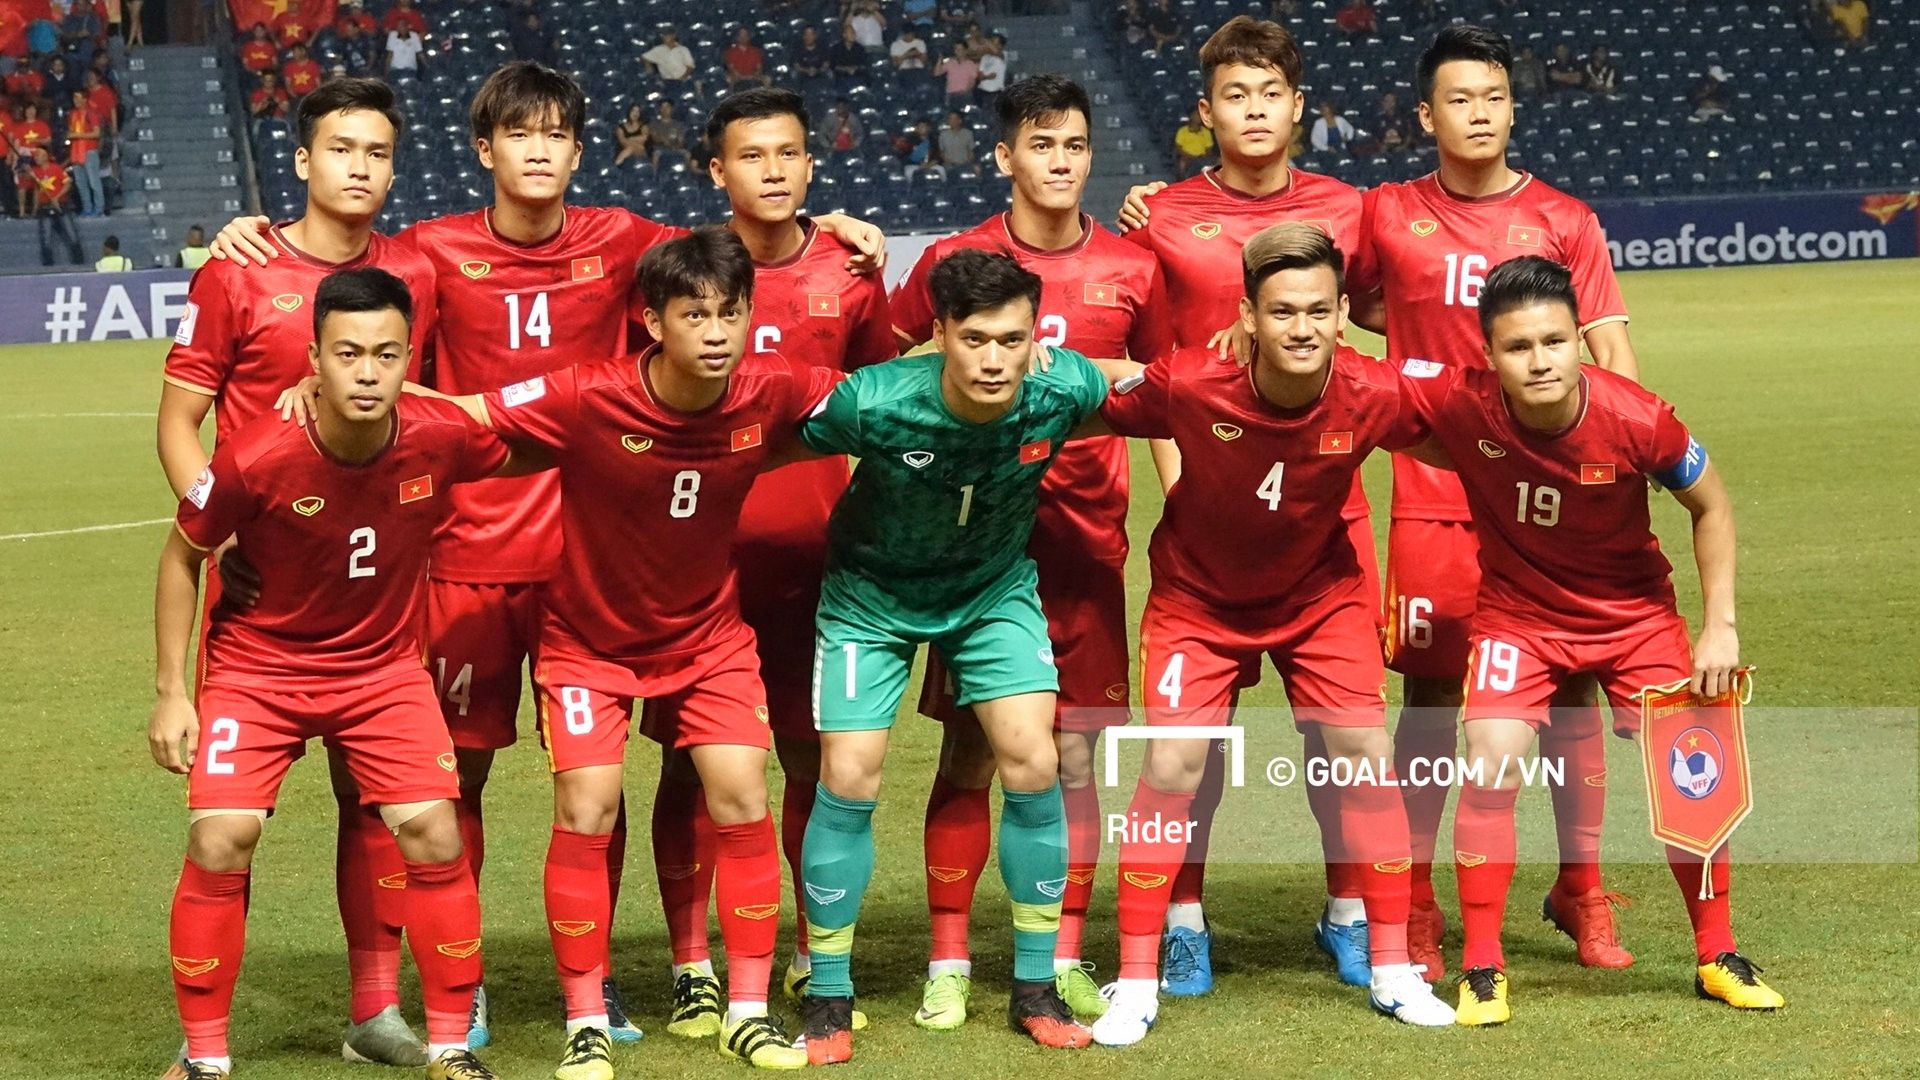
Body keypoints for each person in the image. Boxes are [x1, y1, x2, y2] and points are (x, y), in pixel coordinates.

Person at [204, 62, 886, 1059]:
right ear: (485, 150)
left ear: (576, 147)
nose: (537, 150)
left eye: (556, 133)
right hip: (463, 558)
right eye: (517, 134)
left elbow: (735, 250)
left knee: (599, 789)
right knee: (449, 786)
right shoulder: (432, 254)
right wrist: (247, 235)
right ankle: (452, 996)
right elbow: (365, 330)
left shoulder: (623, 241)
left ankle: (596, 985)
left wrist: (831, 228)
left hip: (587, 562)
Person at [393, 227, 839, 1073]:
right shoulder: (584, 392)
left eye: (731, 314)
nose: (716, 332)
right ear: (651, 320)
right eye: (695, 314)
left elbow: (874, 394)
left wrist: (944, 354)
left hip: (708, 638)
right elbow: (471, 412)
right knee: (587, 807)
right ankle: (586, 1019)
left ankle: (745, 1010)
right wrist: (354, 390)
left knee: (742, 795)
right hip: (588, 645)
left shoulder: (771, 386)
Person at [1091, 224, 1457, 1046]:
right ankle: (1138, 978)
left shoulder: (1373, 390)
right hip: (1197, 602)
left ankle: (1393, 970)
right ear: (1247, 316)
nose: (1303, 328)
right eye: (1283, 311)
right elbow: (1095, 394)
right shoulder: (1192, 380)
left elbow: (1465, 424)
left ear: (1339, 316)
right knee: (1174, 761)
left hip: (1318, 597)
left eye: (1320, 311)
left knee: (1362, 752)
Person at [150, 267, 512, 1080]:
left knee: (435, 830)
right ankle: (205, 1059)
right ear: (311, 358)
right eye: (347, 353)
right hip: (258, 669)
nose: (367, 371)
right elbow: (182, 557)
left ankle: (450, 1049)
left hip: (381, 672)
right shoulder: (259, 453)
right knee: (220, 837)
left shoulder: (438, 433)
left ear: (409, 357)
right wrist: (174, 693)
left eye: (387, 355)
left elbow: (522, 436)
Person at [1402, 255, 1784, 1024]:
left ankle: (1717, 952)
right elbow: (1352, 377)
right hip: (1519, 618)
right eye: (1518, 347)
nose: (1539, 360)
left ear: (1581, 338)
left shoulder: (1640, 416)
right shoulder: (1462, 404)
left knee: (1694, 772)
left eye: (1554, 340)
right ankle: (1482, 965)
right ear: (1488, 355)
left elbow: (1711, 507)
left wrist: (1721, 628)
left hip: (1635, 618)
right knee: (1491, 756)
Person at [1344, 23, 1643, 984]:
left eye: (1495, 97)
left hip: (1550, 491)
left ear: (1514, 106)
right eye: (1459, 100)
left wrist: (1619, 464)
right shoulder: (1386, 213)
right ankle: (1419, 903)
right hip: (1435, 489)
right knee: (1432, 694)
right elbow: (1326, 287)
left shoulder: (1564, 218)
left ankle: (1581, 887)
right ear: (1427, 115)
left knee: (1574, 681)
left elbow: (1615, 363)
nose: (1480, 113)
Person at [158, 79, 442, 1071]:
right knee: (228, 829)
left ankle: (376, 1012)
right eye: (340, 149)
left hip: (380, 594)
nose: (359, 168)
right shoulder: (240, 271)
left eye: (378, 152)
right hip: (265, 596)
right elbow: (179, 421)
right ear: (301, 161)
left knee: (384, 808)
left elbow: (427, 406)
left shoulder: (415, 270)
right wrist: (222, 524)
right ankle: (205, 1048)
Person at [889, 74, 1170, 1032]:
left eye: (1075, 146)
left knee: (1075, 755)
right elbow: (885, 375)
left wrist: (1183, 501)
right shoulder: (954, 261)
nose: (1060, 163)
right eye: (1041, 145)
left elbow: (1160, 398)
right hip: (973, 553)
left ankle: (1056, 953)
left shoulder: (1134, 270)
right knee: (971, 753)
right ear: (1006, 156)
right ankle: (949, 958)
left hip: (1086, 547)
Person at [797, 248, 1124, 1064]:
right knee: (850, 773)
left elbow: (1139, 379)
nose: (993, 359)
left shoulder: (1060, 387)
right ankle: (829, 994)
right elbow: (770, 434)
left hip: (991, 593)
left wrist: (1240, 343)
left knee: (1033, 761)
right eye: (973, 338)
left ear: (1034, 337)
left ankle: (1034, 986)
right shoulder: (874, 401)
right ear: (938, 333)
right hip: (869, 598)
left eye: (1012, 340)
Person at [1114, 15, 1375, 997]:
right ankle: (1182, 920)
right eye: (1236, 95)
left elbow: (1397, 313)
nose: (1254, 111)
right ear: (1204, 112)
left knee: (1342, 738)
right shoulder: (1164, 218)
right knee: (1189, 748)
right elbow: (1146, 370)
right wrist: (1177, 479)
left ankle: (1350, 911)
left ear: (1299, 105)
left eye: (1272, 94)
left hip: (1323, 521)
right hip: (1206, 519)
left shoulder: (1352, 210)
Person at [647, 84, 895, 1044]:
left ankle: (804, 946)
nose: (774, 172)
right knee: (692, 764)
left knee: (808, 757)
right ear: (718, 171)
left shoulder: (851, 267)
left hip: (820, 563)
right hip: (699, 566)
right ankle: (690, 963)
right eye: (752, 157)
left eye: (789, 154)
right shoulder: (684, 272)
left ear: (811, 162)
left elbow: (880, 394)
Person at [29, 146, 83, 265]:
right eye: (36, 155)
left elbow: (68, 184)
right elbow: (36, 191)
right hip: (44, 207)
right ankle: (48, 266)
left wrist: (57, 197)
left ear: (46, 156)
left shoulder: (57, 169)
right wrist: (35, 209)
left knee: (72, 235)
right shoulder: (35, 172)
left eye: (39, 154)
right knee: (46, 239)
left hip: (61, 205)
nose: (36, 157)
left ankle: (79, 263)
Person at [65, 86, 104, 216]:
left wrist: (78, 135)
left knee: (94, 182)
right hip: (76, 152)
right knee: (81, 183)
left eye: (78, 97)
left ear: (85, 99)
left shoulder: (91, 113)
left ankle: (99, 208)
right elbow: (71, 131)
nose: (75, 100)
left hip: (89, 151)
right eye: (74, 97)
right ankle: (87, 208)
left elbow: (96, 133)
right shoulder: (72, 114)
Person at [934, 41, 978, 112]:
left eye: (960, 49)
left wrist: (965, 91)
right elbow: (937, 73)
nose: (958, 51)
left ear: (965, 51)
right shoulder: (950, 62)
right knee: (950, 114)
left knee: (965, 114)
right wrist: (939, 60)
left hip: (965, 95)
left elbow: (972, 81)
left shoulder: (971, 64)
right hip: (950, 95)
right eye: (956, 49)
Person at [1172, 104, 1213, 177]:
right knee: (1183, 163)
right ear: (1191, 116)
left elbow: (1209, 148)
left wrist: (1203, 157)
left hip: (1201, 158)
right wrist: (1189, 156)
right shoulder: (1183, 131)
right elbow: (1178, 147)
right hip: (1187, 157)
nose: (1199, 117)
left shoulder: (1206, 132)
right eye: (1196, 114)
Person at [648, 99, 691, 168]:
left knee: (687, 154)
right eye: (662, 107)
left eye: (667, 107)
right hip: (659, 148)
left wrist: (677, 144)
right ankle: (654, 176)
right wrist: (665, 141)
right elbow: (655, 138)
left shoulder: (679, 125)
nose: (665, 109)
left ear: (672, 109)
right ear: (660, 109)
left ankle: (688, 175)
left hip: (675, 148)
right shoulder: (654, 124)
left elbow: (681, 139)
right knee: (656, 155)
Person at [936, 109, 977, 176]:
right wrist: (949, 161)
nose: (952, 121)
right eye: (950, 119)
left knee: (977, 169)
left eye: (954, 119)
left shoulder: (968, 133)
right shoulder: (943, 135)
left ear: (960, 120)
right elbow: (941, 153)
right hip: (948, 164)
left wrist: (968, 162)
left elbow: (971, 151)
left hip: (965, 163)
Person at [975, 33, 1008, 109]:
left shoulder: (1003, 55)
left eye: (994, 43)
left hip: (995, 93)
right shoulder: (985, 57)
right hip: (983, 92)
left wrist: (985, 40)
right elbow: (980, 76)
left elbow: (996, 52)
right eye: (991, 42)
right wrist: (987, 77)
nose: (991, 45)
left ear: (1000, 45)